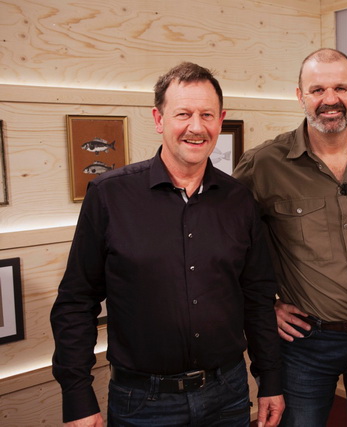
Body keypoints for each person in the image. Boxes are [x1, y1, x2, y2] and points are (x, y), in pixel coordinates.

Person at [50, 62, 284, 427]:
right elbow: (76, 300)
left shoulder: (240, 200)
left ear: (220, 120)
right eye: (183, 114)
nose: (196, 126)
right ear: (159, 119)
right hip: (143, 402)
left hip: (228, 394)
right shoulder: (110, 195)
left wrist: (270, 378)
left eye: (207, 114)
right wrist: (77, 396)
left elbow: (257, 297)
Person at [233, 48, 347, 427]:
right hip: (305, 342)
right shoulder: (263, 164)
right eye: (317, 89)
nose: (330, 99)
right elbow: (226, 245)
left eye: (340, 88)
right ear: (299, 96)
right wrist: (263, 307)